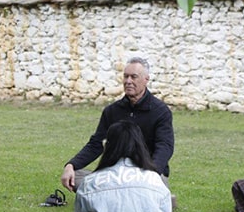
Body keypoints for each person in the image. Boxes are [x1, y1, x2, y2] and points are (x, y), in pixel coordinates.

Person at [61, 56, 174, 192]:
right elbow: (96, 144)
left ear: (146, 79)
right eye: (125, 77)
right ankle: (130, 194)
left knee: (154, 185)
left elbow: (164, 146)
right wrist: (71, 165)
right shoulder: (112, 111)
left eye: (133, 77)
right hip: (115, 172)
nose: (128, 81)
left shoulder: (160, 111)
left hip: (147, 171)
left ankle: (118, 192)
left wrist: (152, 174)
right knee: (75, 175)